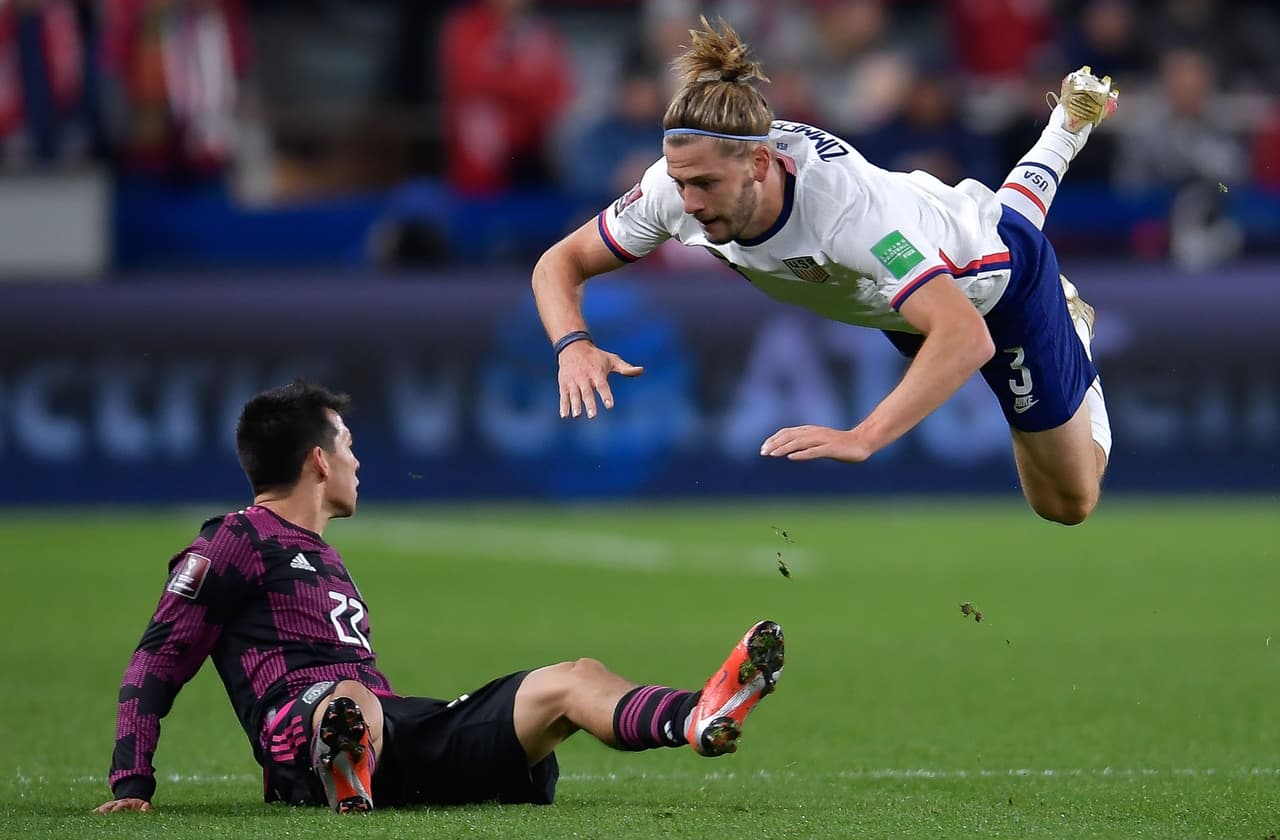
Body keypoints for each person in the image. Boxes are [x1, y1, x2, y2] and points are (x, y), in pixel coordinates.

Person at [93, 380, 784, 814]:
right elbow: (156, 662)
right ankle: (344, 768)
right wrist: (132, 785)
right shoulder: (234, 541)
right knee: (346, 699)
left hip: (392, 729)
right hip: (303, 728)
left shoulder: (321, 555)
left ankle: (694, 716)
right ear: (319, 461)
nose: (359, 462)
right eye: (350, 446)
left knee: (573, 680)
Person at [531, 18, 1119, 526]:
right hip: (916, 260)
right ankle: (1066, 127)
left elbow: (965, 336)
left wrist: (862, 437)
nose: (687, 204)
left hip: (996, 291)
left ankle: (1072, 325)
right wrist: (572, 343)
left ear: (761, 163)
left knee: (1066, 504)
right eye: (680, 182)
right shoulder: (678, 181)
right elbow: (559, 262)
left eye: (704, 185)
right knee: (990, 224)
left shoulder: (843, 213)